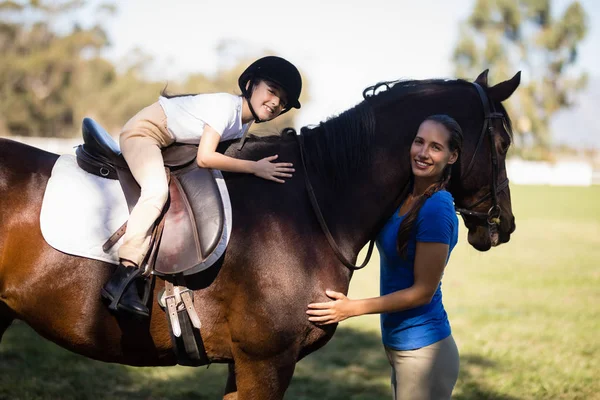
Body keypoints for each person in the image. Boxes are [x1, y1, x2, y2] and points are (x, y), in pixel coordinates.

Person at [101, 56, 302, 318]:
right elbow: (205, 157)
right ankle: (122, 277)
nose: (276, 102)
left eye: (283, 102)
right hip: (145, 132)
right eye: (273, 92)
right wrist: (256, 167)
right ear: (251, 84)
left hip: (167, 139)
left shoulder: (242, 123)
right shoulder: (226, 108)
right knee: (156, 191)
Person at [306, 114, 463, 400]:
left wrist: (351, 309)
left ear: (452, 157)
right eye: (419, 142)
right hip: (401, 345)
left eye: (435, 147)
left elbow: (422, 292)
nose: (423, 153)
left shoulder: (436, 208)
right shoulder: (405, 196)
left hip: (425, 352)